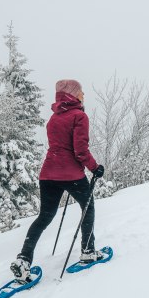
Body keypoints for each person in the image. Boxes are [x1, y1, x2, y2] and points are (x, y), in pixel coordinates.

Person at [10, 79, 105, 282]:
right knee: (87, 207)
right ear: (73, 94)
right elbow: (80, 150)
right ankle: (88, 251)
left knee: (44, 217)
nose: (83, 95)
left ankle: (23, 260)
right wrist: (95, 168)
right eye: (81, 92)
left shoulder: (54, 118)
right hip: (71, 174)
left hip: (48, 174)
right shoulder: (79, 116)